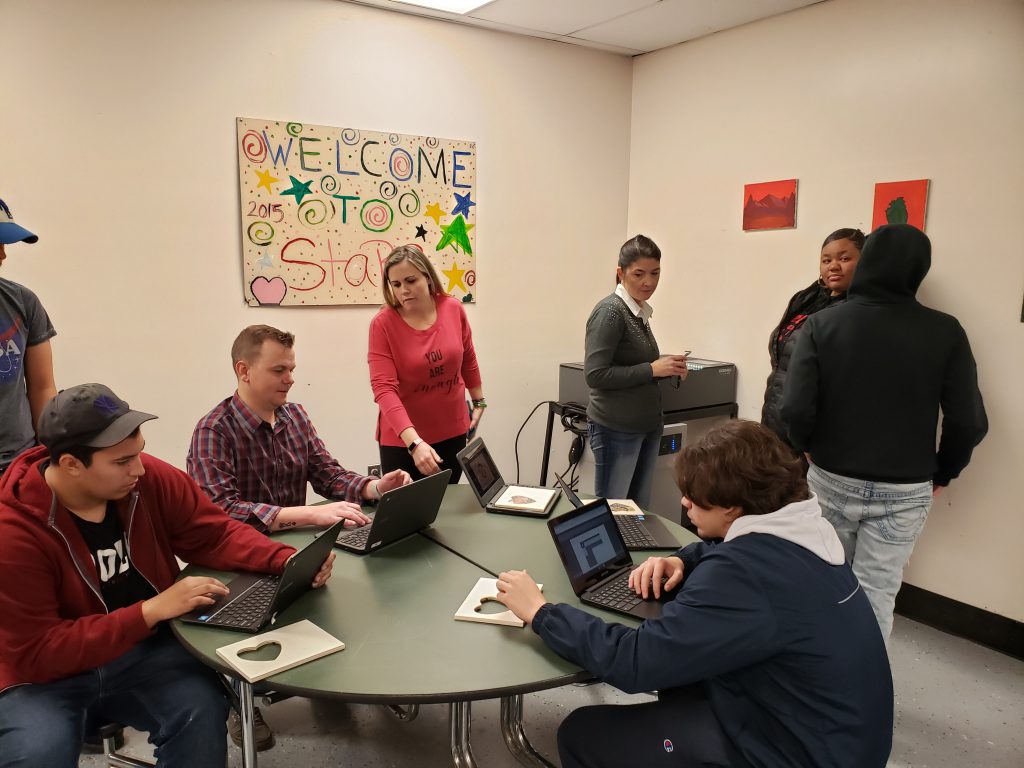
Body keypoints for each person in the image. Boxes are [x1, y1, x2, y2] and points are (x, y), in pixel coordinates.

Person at [495, 420, 893, 768]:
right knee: (684, 684)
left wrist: (542, 612)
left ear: (733, 509)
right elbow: (729, 548)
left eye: (695, 497)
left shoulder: (742, 577)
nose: (685, 502)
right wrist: (683, 560)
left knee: (581, 734)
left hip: (797, 753)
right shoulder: (806, 533)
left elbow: (635, 662)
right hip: (841, 738)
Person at [0, 383, 334, 768]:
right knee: (34, 754)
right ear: (72, 464)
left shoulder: (146, 481)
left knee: (200, 710)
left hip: (140, 654)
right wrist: (150, 611)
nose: (139, 468)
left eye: (139, 453)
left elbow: (214, 533)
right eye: (122, 461)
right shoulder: (15, 533)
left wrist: (285, 559)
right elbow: (36, 653)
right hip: (44, 679)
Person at [781, 224, 988, 641]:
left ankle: (815, 689)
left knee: (824, 584)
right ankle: (862, 699)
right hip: (905, 487)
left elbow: (795, 407)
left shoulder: (822, 325)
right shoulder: (946, 331)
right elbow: (967, 421)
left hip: (832, 476)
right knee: (876, 595)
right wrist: (944, 472)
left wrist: (806, 448)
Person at [188, 324, 411, 534]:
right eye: (279, 370)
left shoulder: (295, 416)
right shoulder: (213, 432)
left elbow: (328, 476)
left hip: (292, 550)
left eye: (291, 369)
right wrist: (311, 514)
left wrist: (376, 488)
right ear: (244, 371)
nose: (290, 379)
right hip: (240, 555)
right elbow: (222, 512)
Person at [584, 234, 687, 509]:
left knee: (638, 513)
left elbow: (636, 364)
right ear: (621, 273)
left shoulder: (638, 311)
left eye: (655, 273)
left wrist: (668, 368)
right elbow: (595, 375)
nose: (649, 282)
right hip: (616, 428)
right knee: (615, 513)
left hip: (646, 426)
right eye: (639, 274)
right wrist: (652, 369)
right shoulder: (611, 312)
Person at [368, 245, 484, 483]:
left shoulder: (452, 308)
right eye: (396, 284)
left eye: (411, 280)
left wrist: (479, 399)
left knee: (448, 509)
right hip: (404, 440)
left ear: (428, 277)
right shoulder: (383, 324)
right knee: (409, 515)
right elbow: (384, 389)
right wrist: (414, 443)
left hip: (452, 430)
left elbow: (468, 355)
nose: (404, 290)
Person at [760, 227, 864, 451]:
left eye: (844, 258)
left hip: (811, 433)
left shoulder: (856, 312)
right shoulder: (807, 299)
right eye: (826, 260)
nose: (833, 266)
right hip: (775, 417)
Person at [0, 197, 57, 476]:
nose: (3, 256)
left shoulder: (23, 301)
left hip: (19, 466)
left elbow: (42, 387)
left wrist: (49, 457)